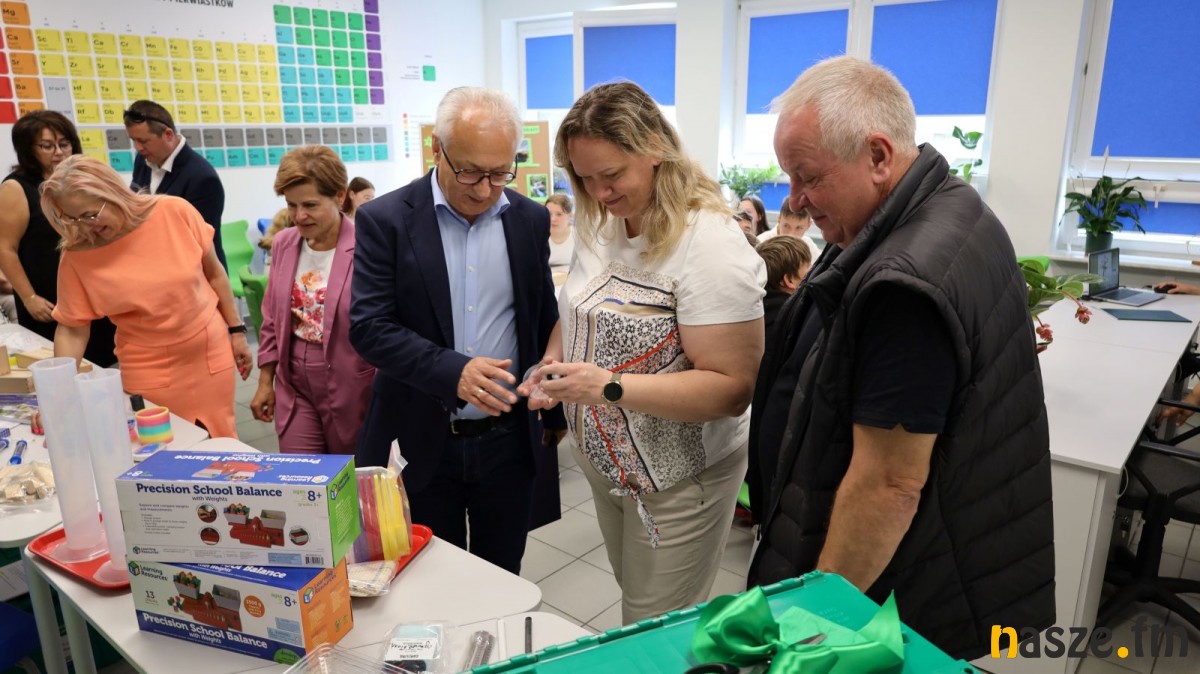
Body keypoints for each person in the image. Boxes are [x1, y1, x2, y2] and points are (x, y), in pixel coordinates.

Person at [748, 56, 1054, 659]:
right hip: (950, 547)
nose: (796, 200)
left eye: (807, 177)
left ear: (879, 156)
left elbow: (888, 485)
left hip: (908, 584)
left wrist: (816, 623)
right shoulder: (948, 204)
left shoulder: (904, 286)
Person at [521, 81, 766, 624]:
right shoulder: (601, 217)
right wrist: (553, 364)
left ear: (655, 148)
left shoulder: (709, 245)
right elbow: (575, 311)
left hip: (679, 481)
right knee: (637, 599)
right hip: (606, 466)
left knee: (651, 628)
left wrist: (608, 386)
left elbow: (731, 389)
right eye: (584, 178)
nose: (598, 191)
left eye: (610, 174)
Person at [350, 87, 564, 574]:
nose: (485, 189)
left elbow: (541, 314)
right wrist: (453, 372)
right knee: (428, 578)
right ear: (436, 149)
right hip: (420, 438)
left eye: (500, 173)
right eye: (469, 171)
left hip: (507, 440)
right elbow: (369, 327)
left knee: (501, 576)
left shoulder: (529, 219)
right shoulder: (386, 220)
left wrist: (552, 397)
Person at [41, 155, 251, 436]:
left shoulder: (173, 211)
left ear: (111, 192)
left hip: (209, 352)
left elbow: (215, 274)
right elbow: (72, 329)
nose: (86, 226)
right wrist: (59, 394)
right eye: (73, 219)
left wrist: (236, 331)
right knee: (160, 445)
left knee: (222, 438)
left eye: (90, 214)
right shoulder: (78, 255)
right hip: (148, 366)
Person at [251, 147, 374, 454]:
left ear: (340, 196)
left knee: (349, 472)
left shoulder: (369, 247)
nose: (299, 216)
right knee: (300, 474)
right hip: (293, 382)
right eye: (291, 205)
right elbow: (271, 319)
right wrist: (265, 381)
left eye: (310, 205)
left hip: (351, 382)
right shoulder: (284, 243)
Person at [0, 110, 117, 365]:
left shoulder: (82, 180)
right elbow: (5, 249)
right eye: (47, 146)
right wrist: (29, 297)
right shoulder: (16, 188)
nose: (59, 152)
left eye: (64, 144)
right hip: (48, 297)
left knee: (108, 362)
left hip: (94, 289)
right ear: (28, 150)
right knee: (67, 364)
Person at [125, 100, 228, 270]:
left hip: (195, 272)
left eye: (143, 141)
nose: (138, 148)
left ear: (168, 135)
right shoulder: (143, 160)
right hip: (156, 264)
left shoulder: (203, 178)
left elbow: (199, 243)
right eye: (133, 140)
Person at [755, 235, 811, 356]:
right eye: (808, 268)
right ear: (789, 280)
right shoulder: (794, 317)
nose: (812, 273)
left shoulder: (754, 308)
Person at [545, 193, 574, 285]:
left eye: (559, 214)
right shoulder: (538, 236)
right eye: (549, 214)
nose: (553, 219)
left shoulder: (579, 236)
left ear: (570, 215)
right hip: (547, 283)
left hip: (572, 282)